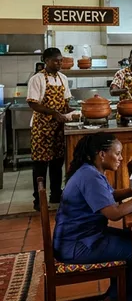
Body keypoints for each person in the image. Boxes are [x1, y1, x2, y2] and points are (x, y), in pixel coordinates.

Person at [53, 133, 132, 301]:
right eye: (117, 153)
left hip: (86, 236)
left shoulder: (91, 171)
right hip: (78, 245)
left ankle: (116, 297)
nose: (121, 158)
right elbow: (114, 213)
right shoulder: (90, 177)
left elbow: (109, 196)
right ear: (102, 154)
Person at [27, 47, 72, 210]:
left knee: (57, 163)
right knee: (40, 165)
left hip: (58, 128)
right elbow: (33, 103)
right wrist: (53, 112)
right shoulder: (37, 79)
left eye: (61, 61)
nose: (59, 63)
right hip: (41, 128)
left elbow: (65, 104)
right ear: (46, 61)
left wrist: (74, 112)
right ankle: (39, 200)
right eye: (56, 61)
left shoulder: (63, 78)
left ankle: (56, 194)